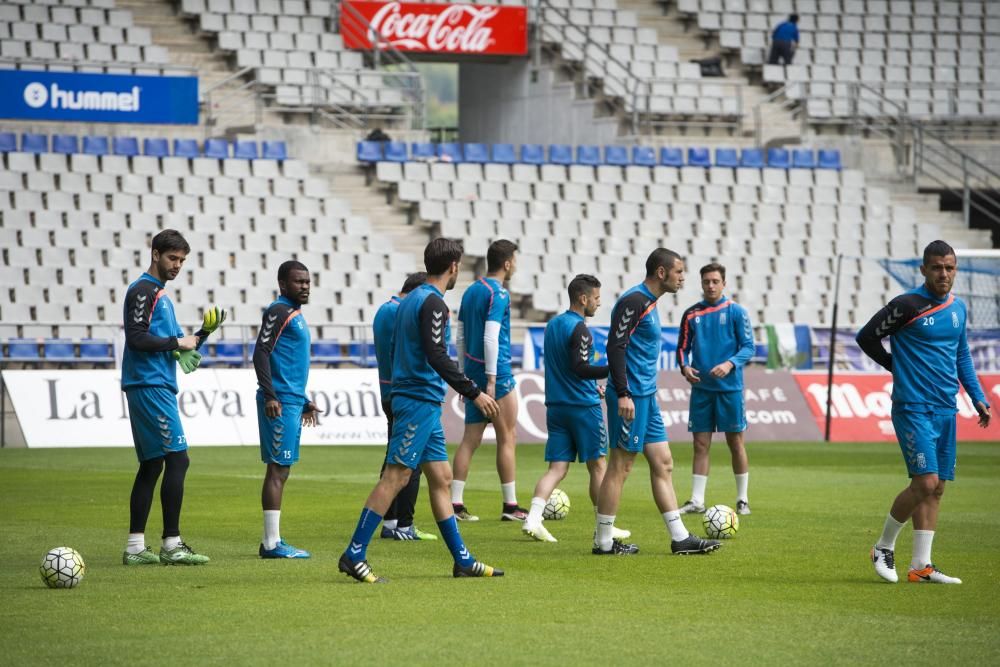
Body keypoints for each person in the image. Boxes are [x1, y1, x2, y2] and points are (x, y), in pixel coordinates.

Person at [338, 238, 504, 583]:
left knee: (441, 478)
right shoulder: (433, 303)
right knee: (396, 476)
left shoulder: (409, 300)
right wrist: (473, 392)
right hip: (417, 400)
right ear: (453, 267)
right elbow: (436, 355)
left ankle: (462, 560)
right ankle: (354, 553)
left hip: (420, 400)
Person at [857, 240, 991, 584]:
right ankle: (883, 546)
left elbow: (961, 356)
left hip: (946, 407)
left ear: (955, 269)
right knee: (924, 482)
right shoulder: (907, 305)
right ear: (923, 270)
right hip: (913, 406)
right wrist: (895, 366)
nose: (943, 273)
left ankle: (921, 566)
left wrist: (977, 396)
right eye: (936, 267)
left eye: (949, 267)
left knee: (938, 488)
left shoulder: (958, 308)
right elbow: (866, 337)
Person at [593, 248, 721, 556]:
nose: (682, 277)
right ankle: (604, 542)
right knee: (620, 466)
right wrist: (623, 392)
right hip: (632, 397)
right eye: (678, 271)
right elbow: (615, 345)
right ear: (661, 273)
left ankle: (680, 538)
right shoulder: (634, 301)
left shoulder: (649, 302)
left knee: (663, 462)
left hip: (646, 397)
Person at [121, 229, 224, 566]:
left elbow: (179, 347)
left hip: (153, 383)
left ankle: (136, 547)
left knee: (152, 464)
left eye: (182, 260)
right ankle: (171, 544)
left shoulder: (159, 294)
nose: (177, 265)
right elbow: (137, 338)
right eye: (172, 258)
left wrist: (202, 335)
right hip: (150, 386)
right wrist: (178, 344)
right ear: (155, 254)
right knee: (178, 459)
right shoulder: (143, 291)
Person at [522, 274, 631, 544]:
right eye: (595, 298)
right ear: (583, 299)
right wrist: (613, 370)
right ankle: (605, 525)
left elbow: (567, 367)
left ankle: (533, 518)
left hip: (556, 407)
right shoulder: (580, 329)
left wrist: (594, 383)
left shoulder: (552, 325)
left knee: (557, 468)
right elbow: (580, 367)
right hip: (583, 408)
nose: (598, 303)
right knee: (598, 466)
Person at [451, 240, 525, 521]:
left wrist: (462, 377)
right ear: (507, 263)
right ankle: (510, 506)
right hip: (497, 373)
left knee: (470, 439)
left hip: (471, 371)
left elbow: (459, 335)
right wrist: (492, 381)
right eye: (515, 260)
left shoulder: (470, 291)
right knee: (507, 436)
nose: (515, 265)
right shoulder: (499, 294)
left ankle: (455, 505)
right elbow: (491, 337)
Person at [253, 260, 320, 559]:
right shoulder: (279, 310)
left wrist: (304, 400)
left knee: (283, 469)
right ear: (283, 284)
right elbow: (261, 352)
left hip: (291, 401)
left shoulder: (295, 315)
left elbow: (288, 361)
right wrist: (270, 395)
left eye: (307, 281)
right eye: (298, 281)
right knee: (277, 470)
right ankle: (271, 544)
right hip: (278, 403)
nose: (304, 286)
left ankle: (272, 538)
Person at [676, 263, 755, 516]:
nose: (710, 285)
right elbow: (682, 348)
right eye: (706, 281)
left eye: (715, 281)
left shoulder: (736, 312)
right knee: (700, 445)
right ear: (701, 283)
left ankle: (742, 499)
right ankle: (697, 500)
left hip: (730, 389)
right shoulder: (691, 314)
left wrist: (730, 363)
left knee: (735, 443)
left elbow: (748, 347)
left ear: (723, 283)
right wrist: (684, 367)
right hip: (702, 390)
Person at [372, 271, 438, 541]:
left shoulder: (384, 310)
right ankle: (403, 525)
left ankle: (391, 523)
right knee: (409, 462)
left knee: (395, 457)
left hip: (389, 390)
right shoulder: (400, 312)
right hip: (407, 392)